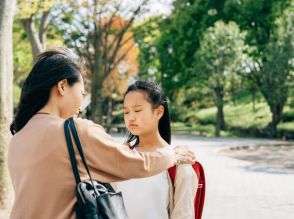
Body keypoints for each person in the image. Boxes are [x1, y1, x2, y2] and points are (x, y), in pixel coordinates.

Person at [8, 47, 196, 219]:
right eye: (81, 93)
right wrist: (173, 155)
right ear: (63, 86)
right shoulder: (76, 131)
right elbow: (137, 164)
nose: (80, 106)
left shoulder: (18, 137)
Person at [116, 80, 198, 219]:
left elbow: (184, 214)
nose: (131, 117)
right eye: (126, 112)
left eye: (137, 110)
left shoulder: (180, 162)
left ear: (159, 112)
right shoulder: (121, 155)